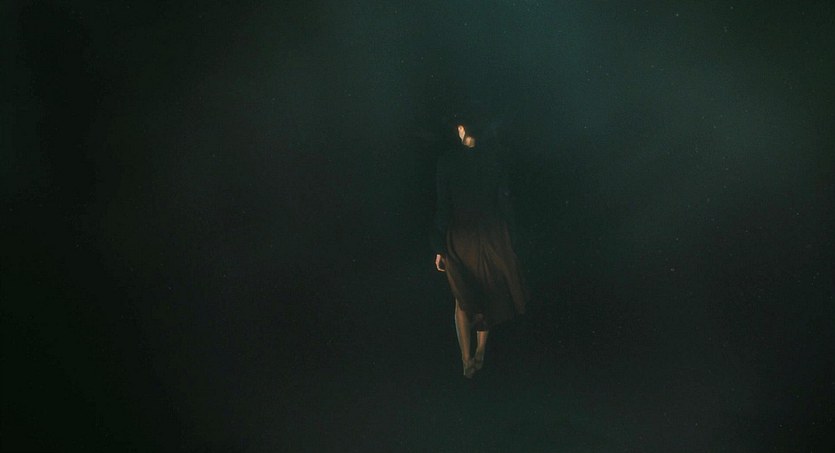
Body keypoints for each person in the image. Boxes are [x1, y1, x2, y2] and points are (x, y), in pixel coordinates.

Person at [432, 122, 528, 378]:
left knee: (463, 298)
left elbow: (443, 206)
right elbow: (504, 201)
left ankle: (467, 359)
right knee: (487, 292)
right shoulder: (494, 159)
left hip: (462, 237)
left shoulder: (448, 161)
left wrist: (439, 245)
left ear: (461, 129)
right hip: (490, 235)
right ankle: (479, 352)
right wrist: (511, 238)